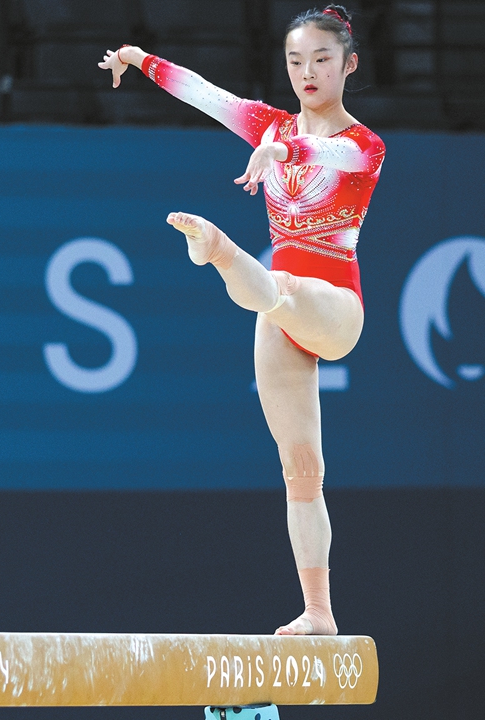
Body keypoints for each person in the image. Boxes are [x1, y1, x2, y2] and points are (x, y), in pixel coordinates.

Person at [98, 5, 386, 636]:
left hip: (334, 304)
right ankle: (319, 612)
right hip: (275, 310)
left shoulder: (364, 146)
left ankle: (223, 253)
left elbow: (328, 156)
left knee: (278, 289)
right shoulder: (268, 125)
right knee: (301, 468)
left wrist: (280, 146)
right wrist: (139, 59)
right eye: (294, 61)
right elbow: (203, 94)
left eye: (321, 60)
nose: (306, 72)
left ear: (348, 64)